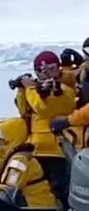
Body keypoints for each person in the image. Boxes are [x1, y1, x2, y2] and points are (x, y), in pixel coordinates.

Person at [19, 51, 76, 203]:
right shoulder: (37, 90)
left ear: (59, 68)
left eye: (51, 68)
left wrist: (29, 89)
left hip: (58, 149)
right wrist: (21, 90)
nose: (46, 73)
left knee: (61, 189)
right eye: (40, 70)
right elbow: (24, 111)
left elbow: (43, 109)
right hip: (37, 147)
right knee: (39, 188)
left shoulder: (66, 89)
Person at [0, 142, 59, 209]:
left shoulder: (19, 161)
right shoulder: (9, 159)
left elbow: (7, 194)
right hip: (27, 207)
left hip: (36, 209)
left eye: (0, 140)